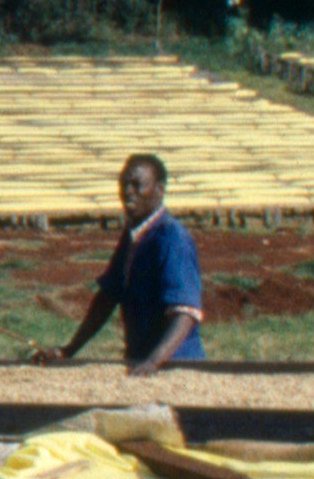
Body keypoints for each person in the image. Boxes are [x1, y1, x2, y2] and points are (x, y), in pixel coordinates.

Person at [47, 152, 206, 372]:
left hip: (176, 365)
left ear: (159, 189)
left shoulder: (171, 238)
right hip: (141, 361)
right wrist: (68, 350)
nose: (128, 192)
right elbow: (108, 297)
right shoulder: (134, 235)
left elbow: (185, 314)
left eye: (137, 185)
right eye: (124, 185)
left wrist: (153, 362)